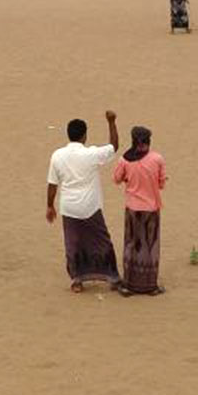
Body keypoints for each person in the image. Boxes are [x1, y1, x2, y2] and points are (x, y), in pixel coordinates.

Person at [43, 111, 122, 293]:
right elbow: (114, 146)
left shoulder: (57, 155)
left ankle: (77, 280)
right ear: (84, 135)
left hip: (69, 207)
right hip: (90, 206)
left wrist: (49, 206)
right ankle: (112, 277)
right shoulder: (91, 154)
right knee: (102, 241)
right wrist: (111, 122)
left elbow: (52, 184)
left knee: (73, 243)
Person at [113, 124, 169, 296]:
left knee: (131, 245)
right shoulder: (158, 159)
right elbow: (161, 183)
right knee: (150, 246)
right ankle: (150, 285)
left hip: (132, 209)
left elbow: (116, 179)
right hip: (151, 209)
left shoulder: (125, 159)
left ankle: (128, 285)